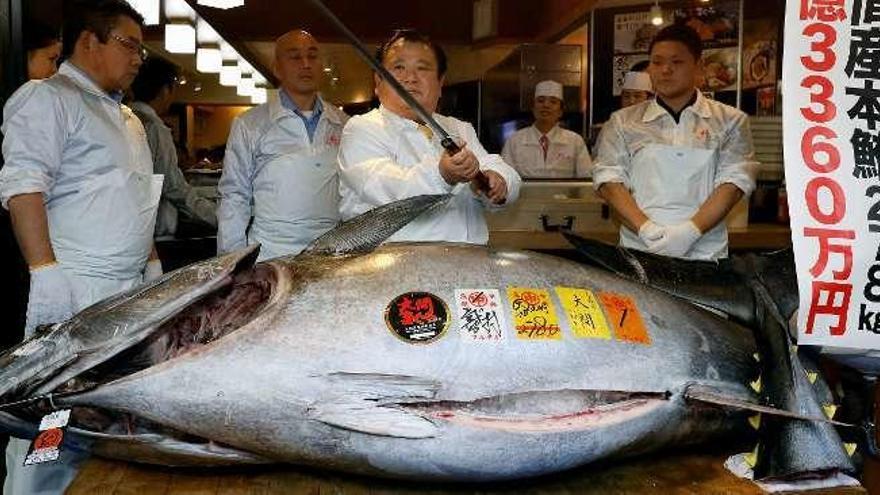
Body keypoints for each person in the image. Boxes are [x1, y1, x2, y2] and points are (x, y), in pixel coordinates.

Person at [0, 2, 160, 493]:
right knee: (54, 416)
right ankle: (32, 491)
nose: (138, 58)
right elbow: (23, 186)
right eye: (129, 44)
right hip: (76, 286)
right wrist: (45, 272)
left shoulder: (129, 116)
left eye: (141, 49)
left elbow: (133, 196)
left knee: (105, 415)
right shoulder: (47, 97)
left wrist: (152, 265)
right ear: (90, 41)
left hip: (127, 290)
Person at [339, 29, 521, 243]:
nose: (410, 78)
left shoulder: (458, 128)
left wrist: (497, 181)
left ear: (440, 82)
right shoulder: (361, 129)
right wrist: (442, 174)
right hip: (394, 269)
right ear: (378, 82)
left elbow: (495, 166)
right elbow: (388, 190)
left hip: (467, 265)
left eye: (422, 68)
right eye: (398, 67)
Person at [593, 24, 757, 261]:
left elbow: (734, 183)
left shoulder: (730, 121)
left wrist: (690, 232)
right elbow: (609, 180)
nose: (665, 70)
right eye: (657, 62)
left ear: (699, 66)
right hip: (640, 250)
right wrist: (646, 229)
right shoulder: (622, 122)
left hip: (705, 254)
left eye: (677, 62)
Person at [217, 30, 348, 260]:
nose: (306, 64)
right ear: (277, 68)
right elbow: (234, 196)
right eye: (295, 57)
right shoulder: (250, 123)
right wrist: (232, 263)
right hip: (270, 252)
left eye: (313, 56)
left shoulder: (344, 124)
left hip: (330, 252)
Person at [131, 57, 217, 238]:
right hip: (154, 230)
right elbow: (172, 186)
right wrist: (217, 216)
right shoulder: (154, 127)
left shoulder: (124, 117)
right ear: (164, 90)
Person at [501, 80, 592, 179]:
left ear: (561, 111)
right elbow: (504, 178)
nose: (546, 105)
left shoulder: (575, 141)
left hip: (564, 194)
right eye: (540, 101)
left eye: (553, 102)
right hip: (525, 195)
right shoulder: (514, 140)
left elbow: (586, 179)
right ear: (533, 108)